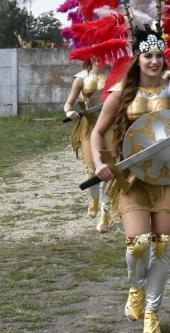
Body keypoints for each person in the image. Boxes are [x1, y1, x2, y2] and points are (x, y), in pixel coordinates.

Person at [90, 25, 170, 333]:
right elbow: (98, 133)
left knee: (160, 247)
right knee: (137, 246)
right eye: (148, 55)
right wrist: (100, 162)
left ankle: (152, 313)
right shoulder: (120, 93)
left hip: (168, 178)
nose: (154, 61)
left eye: (159, 55)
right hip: (132, 177)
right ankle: (136, 286)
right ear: (137, 58)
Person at [63, 59, 113, 232]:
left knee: (109, 169)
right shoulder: (81, 78)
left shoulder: (115, 76)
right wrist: (69, 111)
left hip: (109, 127)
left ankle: (105, 213)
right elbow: (69, 103)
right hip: (88, 127)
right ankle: (94, 198)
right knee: (91, 169)